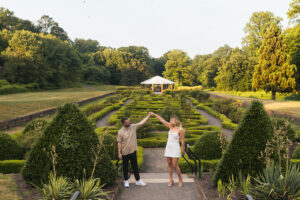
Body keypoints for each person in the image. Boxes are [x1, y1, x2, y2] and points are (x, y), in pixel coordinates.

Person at [150, 112, 185, 187]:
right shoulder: (170, 126)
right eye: (170, 120)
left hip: (175, 148)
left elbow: (182, 141)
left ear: (175, 121)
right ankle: (171, 180)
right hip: (168, 147)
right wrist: (154, 114)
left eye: (171, 120)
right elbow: (161, 120)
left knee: (175, 165)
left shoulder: (180, 130)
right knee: (169, 164)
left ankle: (180, 179)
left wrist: (183, 150)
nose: (170, 121)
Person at [117, 113, 151, 188]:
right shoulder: (120, 132)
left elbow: (141, 122)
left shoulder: (133, 127)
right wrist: (119, 153)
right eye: (127, 122)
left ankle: (138, 180)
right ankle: (126, 181)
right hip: (125, 153)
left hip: (133, 151)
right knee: (125, 168)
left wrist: (148, 116)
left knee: (135, 167)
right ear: (123, 123)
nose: (129, 123)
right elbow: (119, 143)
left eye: (129, 121)